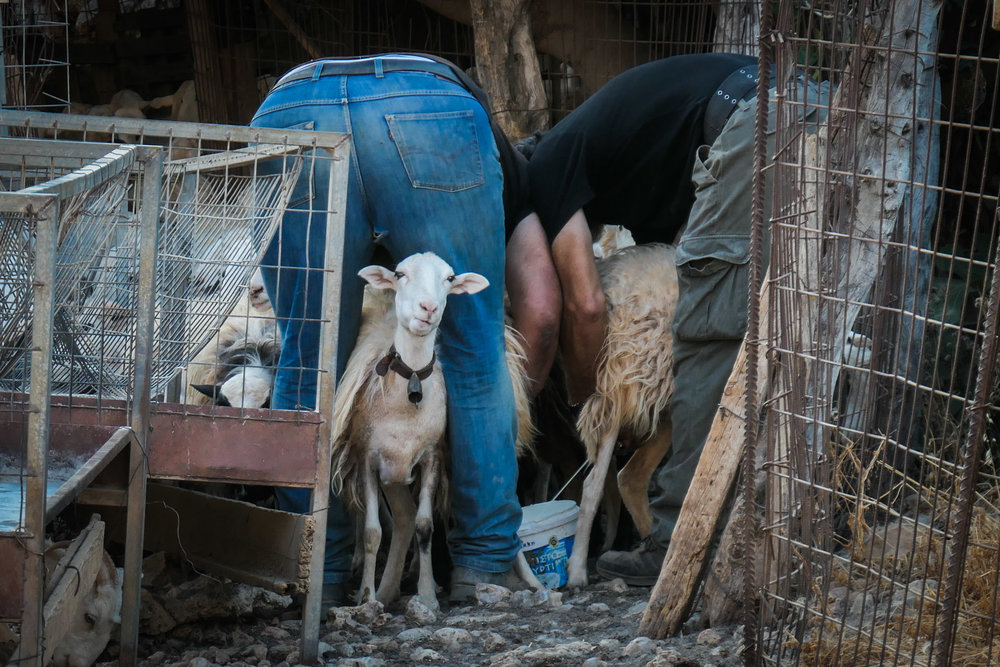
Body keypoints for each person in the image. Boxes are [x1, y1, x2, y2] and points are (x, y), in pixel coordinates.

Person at [250, 52, 560, 606]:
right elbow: (539, 307)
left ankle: (312, 567)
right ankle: (484, 562)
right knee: (475, 349)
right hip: (433, 111)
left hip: (291, 106)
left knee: (306, 349)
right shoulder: (509, 160)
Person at [525, 52, 830, 585]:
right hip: (805, 101)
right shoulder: (625, 167)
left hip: (756, 118)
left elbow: (586, 304)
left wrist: (584, 399)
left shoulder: (545, 171)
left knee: (703, 336)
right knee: (778, 316)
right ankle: (790, 527)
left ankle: (676, 543)